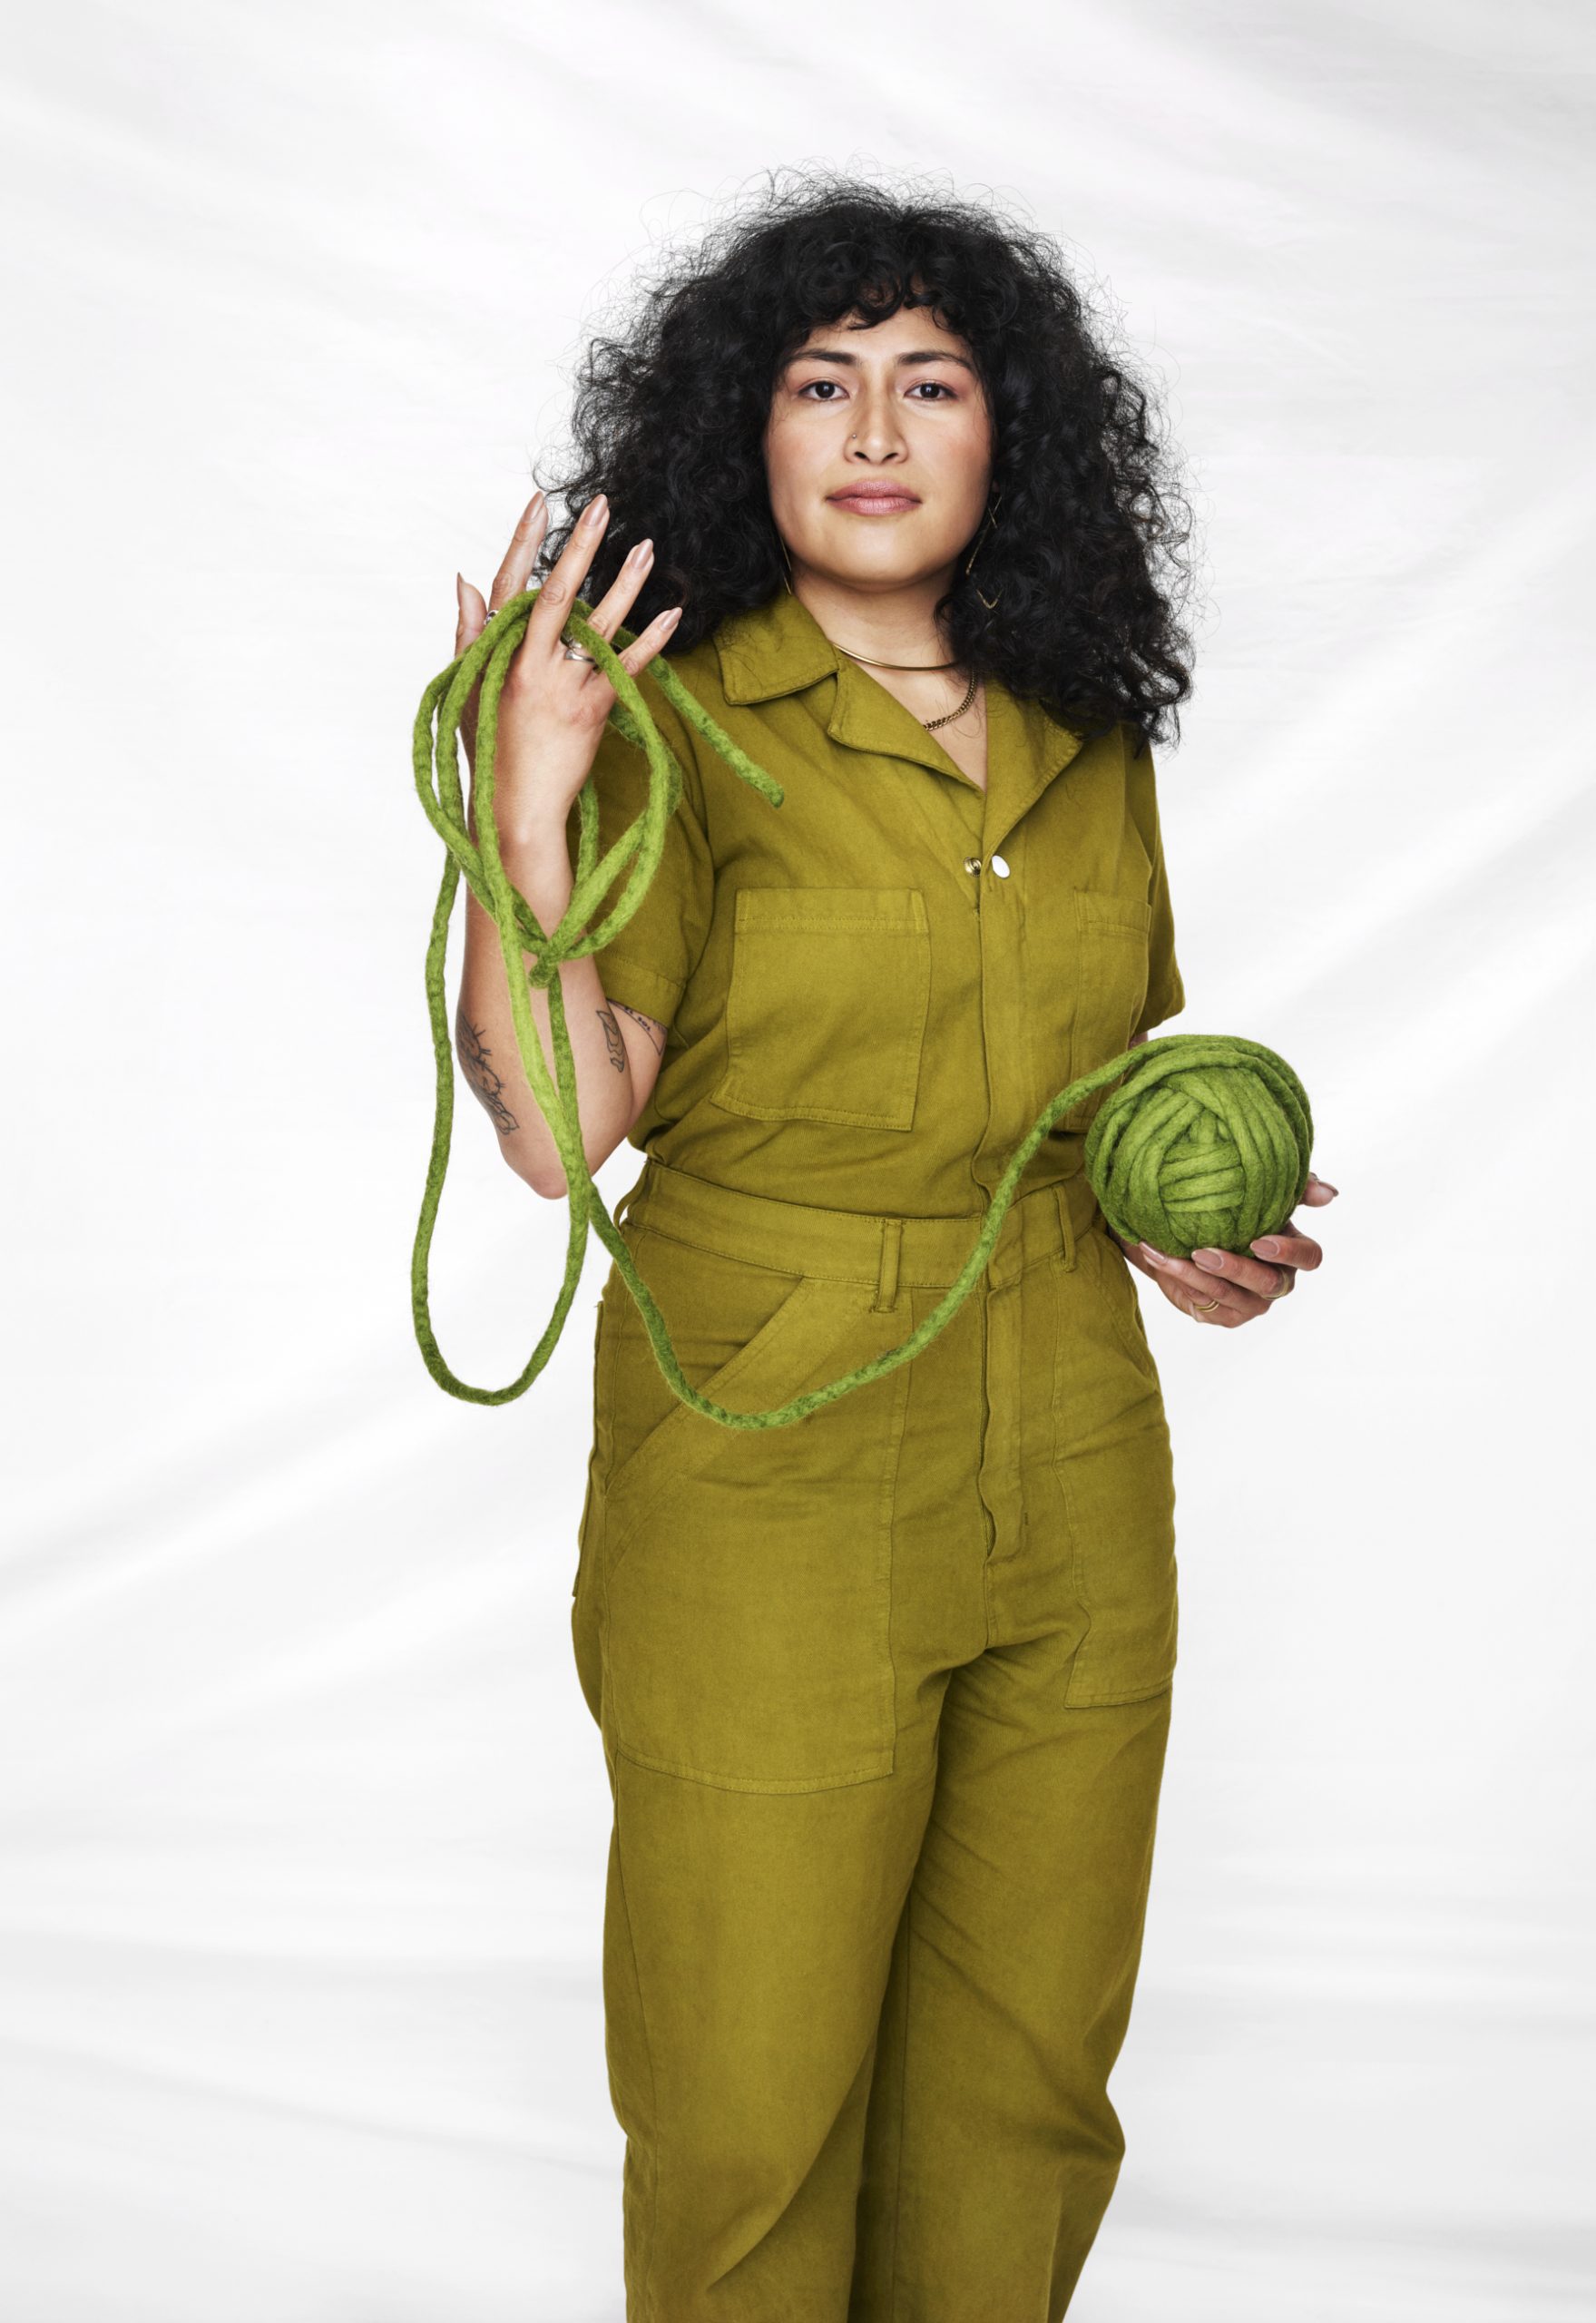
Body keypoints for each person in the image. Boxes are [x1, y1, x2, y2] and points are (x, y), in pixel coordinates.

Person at [447, 172, 1336, 2322]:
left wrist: (1182, 1224)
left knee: (1025, 2082)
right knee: (749, 2097)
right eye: (818, 381)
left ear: (1005, 431)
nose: (870, 426)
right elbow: (556, 1131)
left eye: (928, 383)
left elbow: (1096, 1088)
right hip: (768, 1454)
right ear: (739, 434)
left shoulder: (1083, 722)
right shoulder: (664, 716)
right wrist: (526, 796)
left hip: (1073, 1446)